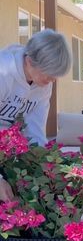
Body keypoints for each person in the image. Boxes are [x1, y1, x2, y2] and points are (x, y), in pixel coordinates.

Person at [0, 29, 72, 202]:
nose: (53, 80)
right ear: (30, 61)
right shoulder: (3, 73)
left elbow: (35, 129)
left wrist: (44, 167)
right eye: (49, 73)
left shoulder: (43, 84)